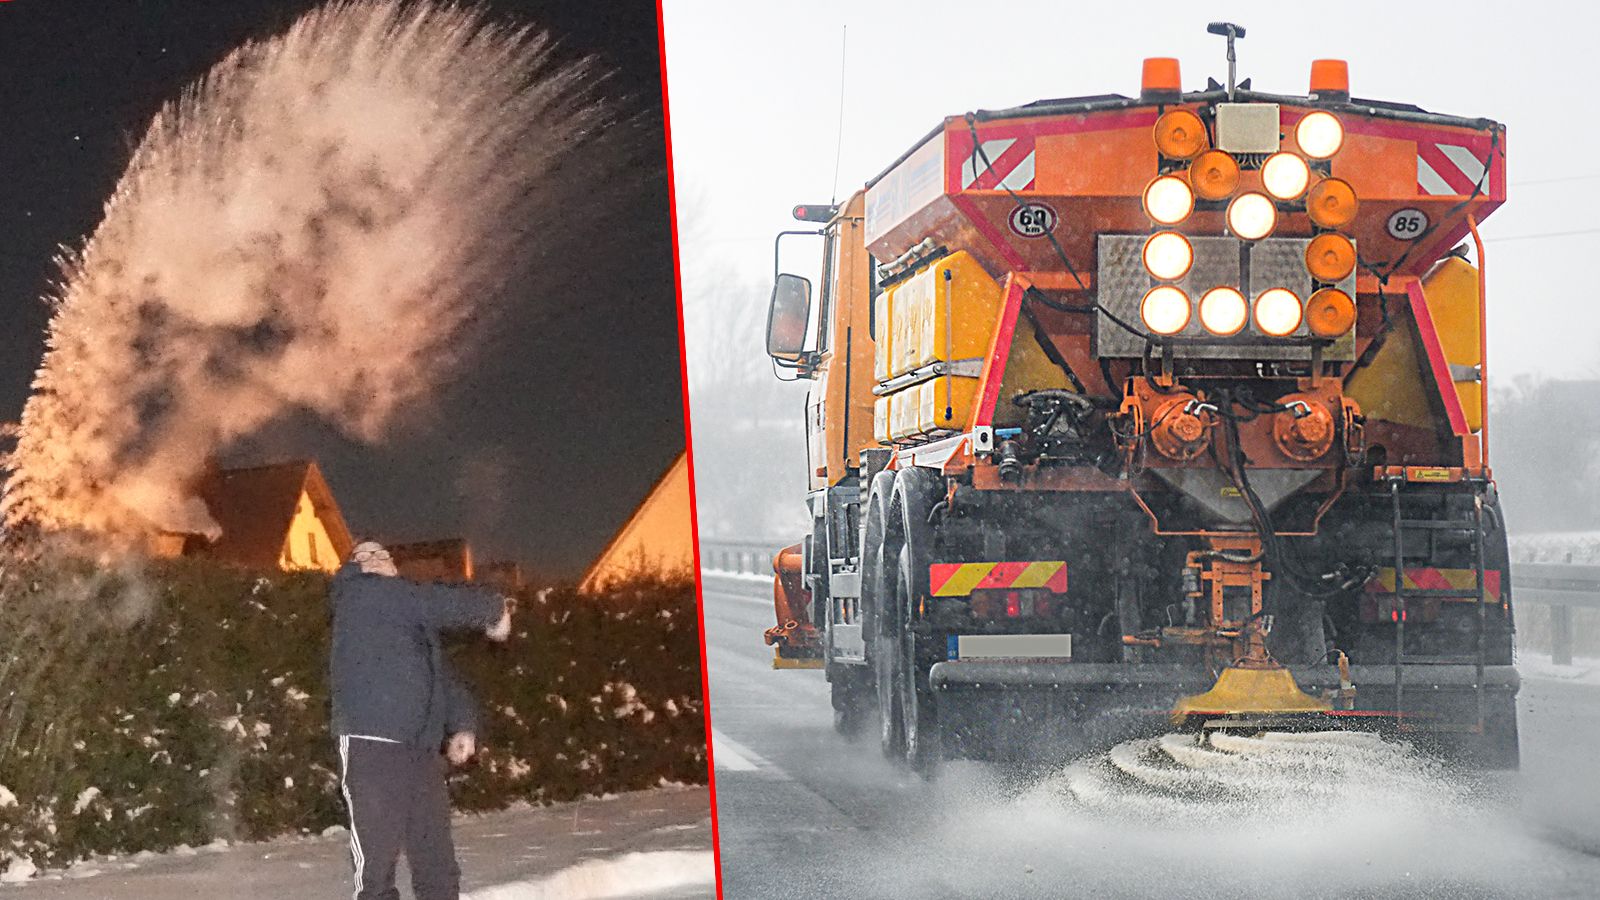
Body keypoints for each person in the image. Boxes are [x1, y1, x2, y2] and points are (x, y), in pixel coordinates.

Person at [329, 541, 513, 900]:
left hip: (421, 751)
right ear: (353, 567)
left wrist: (463, 723)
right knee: (376, 869)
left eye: (383, 554)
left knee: (436, 861)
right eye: (365, 555)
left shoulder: (405, 615)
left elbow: (440, 675)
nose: (376, 560)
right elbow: (432, 601)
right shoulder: (358, 596)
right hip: (373, 747)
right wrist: (493, 609)